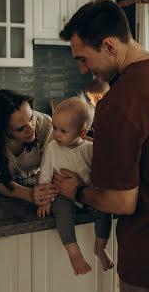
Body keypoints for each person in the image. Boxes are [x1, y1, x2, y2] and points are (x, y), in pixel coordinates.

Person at [50, 0, 149, 292]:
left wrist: (77, 191)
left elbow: (119, 202)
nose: (82, 70)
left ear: (108, 45)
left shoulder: (117, 103)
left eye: (82, 58)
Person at [37, 94, 113, 276]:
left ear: (82, 133)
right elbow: (45, 177)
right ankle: (73, 252)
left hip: (85, 195)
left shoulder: (89, 149)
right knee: (61, 209)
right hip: (62, 196)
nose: (56, 134)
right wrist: (45, 200)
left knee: (105, 206)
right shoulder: (51, 148)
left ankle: (100, 246)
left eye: (63, 131)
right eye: (54, 128)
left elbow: (98, 178)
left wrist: (88, 190)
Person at [0, 89, 58, 206]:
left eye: (31, 118)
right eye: (21, 128)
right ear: (3, 131)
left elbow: (56, 167)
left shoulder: (46, 125)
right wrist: (30, 195)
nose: (31, 129)